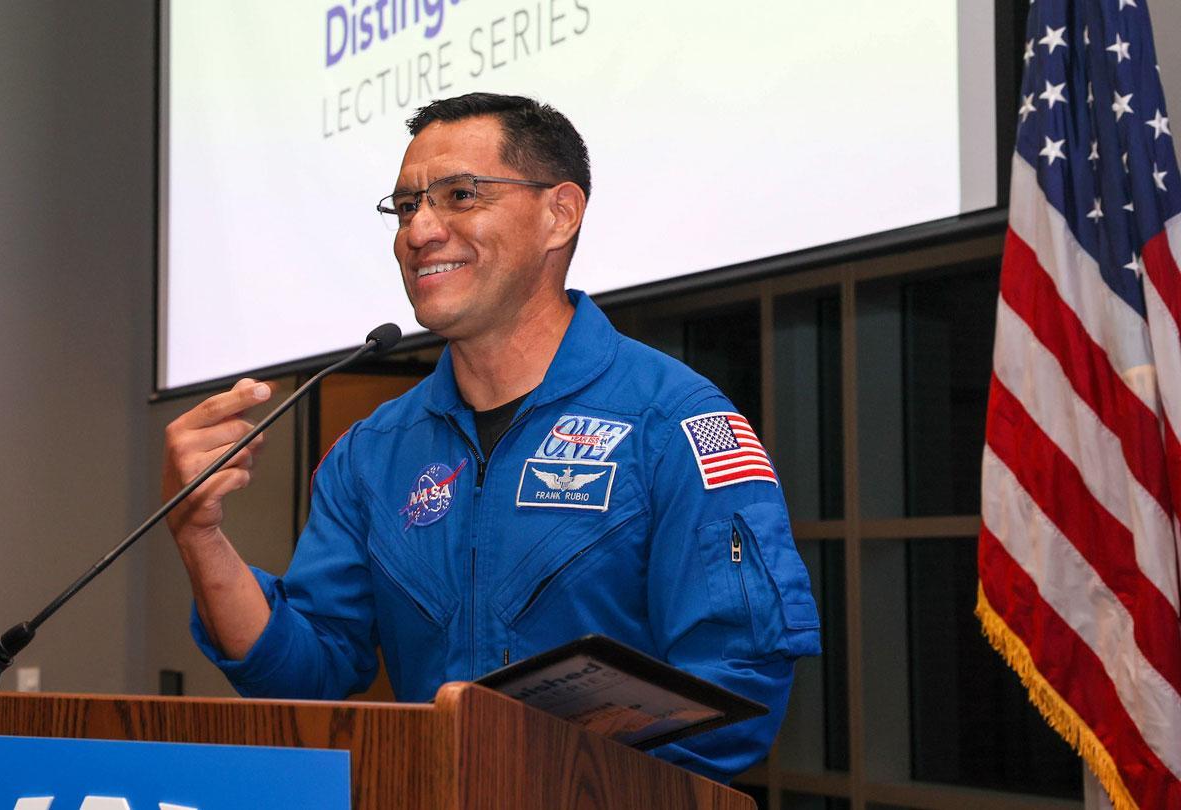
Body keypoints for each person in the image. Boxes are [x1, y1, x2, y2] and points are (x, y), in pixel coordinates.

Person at [163, 92, 820, 782]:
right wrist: (201, 538)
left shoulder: (673, 423)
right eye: (407, 206)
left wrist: (539, 780)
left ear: (558, 215)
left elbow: (736, 686)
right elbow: (305, 679)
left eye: (458, 195)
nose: (420, 231)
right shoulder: (372, 454)